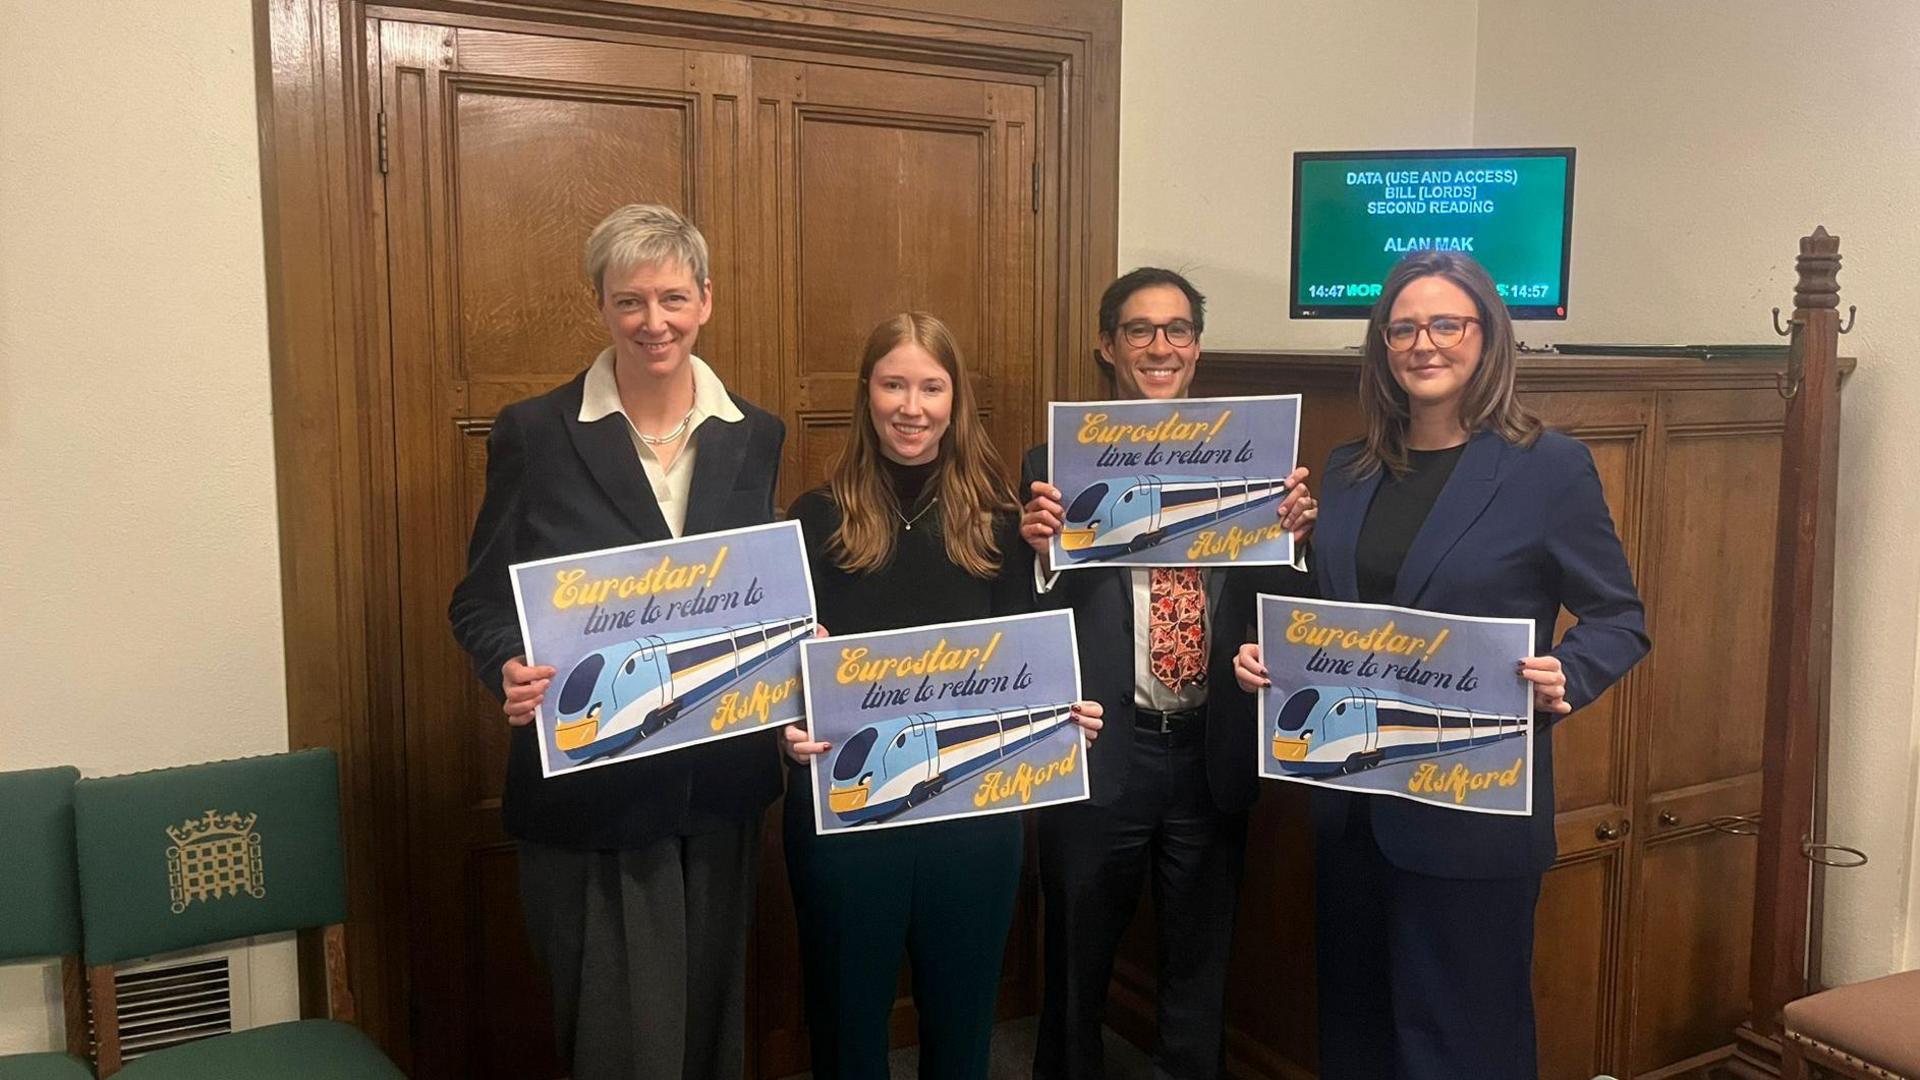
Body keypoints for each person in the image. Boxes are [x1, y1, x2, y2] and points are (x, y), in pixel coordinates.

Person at [1232, 250, 1650, 1080]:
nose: (1424, 344)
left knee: (1464, 1046)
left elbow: (1620, 618)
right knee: (1358, 1039)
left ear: (1486, 336)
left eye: (1446, 324)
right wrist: (1269, 657)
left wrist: (1571, 670)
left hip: (1471, 819)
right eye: (1403, 328)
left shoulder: (1548, 467)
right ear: (1383, 348)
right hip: (1353, 810)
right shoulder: (1349, 472)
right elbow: (1334, 614)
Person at [448, 204, 786, 1080]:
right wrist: (506, 670)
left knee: (709, 1023)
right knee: (613, 1036)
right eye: (629, 301)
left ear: (706, 301)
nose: (654, 322)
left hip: (720, 783)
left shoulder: (756, 434)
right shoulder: (535, 431)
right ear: (600, 306)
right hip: (593, 790)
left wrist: (794, 640)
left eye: (672, 298)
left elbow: (755, 586)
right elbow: (479, 600)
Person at [779, 312, 1103, 1079]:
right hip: (846, 812)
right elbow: (789, 670)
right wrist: (787, 727)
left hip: (973, 820)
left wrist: (1065, 718)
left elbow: (1032, 666)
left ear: (955, 402)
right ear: (866, 394)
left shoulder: (1000, 527)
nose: (911, 406)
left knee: (963, 1028)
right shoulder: (814, 518)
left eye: (931, 387)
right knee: (847, 1024)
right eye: (894, 384)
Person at [1017, 268, 1316, 1079]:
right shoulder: (1057, 459)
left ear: (1196, 346)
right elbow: (1028, 615)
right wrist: (1041, 554)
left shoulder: (1253, 456)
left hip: (1209, 746)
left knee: (1200, 973)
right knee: (1076, 967)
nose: (1160, 346)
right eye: (1141, 330)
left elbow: (1288, 605)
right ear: (1107, 346)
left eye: (1177, 329)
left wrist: (1292, 537)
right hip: (1104, 748)